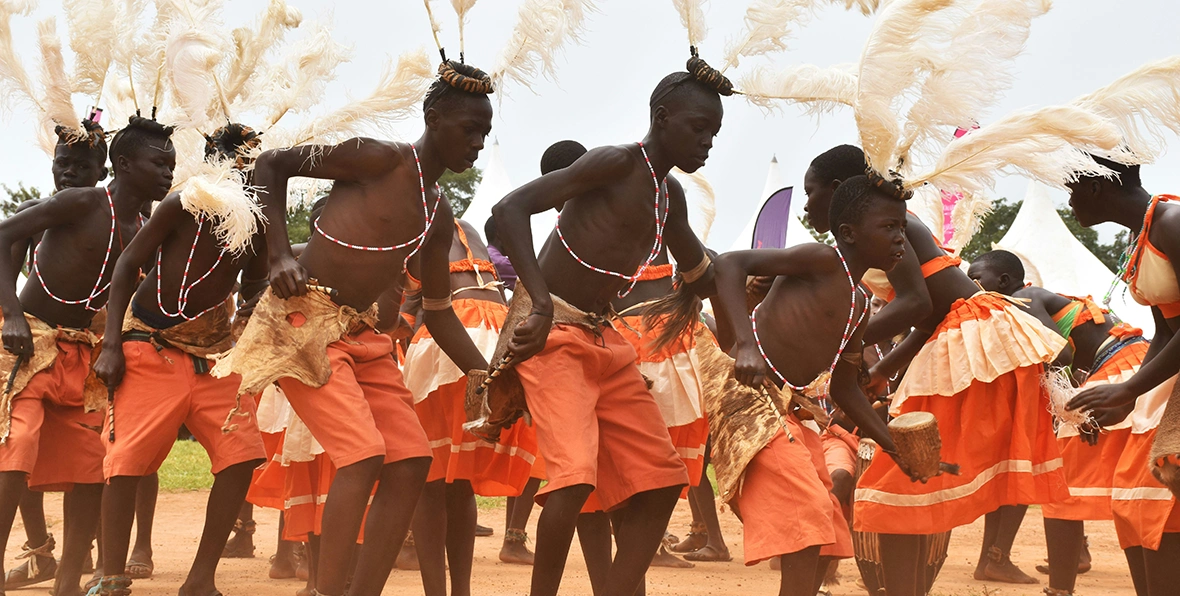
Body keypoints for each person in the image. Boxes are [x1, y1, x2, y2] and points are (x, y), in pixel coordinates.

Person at [214, 60, 495, 596]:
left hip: (365, 340)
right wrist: (277, 256)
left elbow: (437, 311)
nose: (478, 142)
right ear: (434, 119)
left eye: (485, 132)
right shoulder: (380, 158)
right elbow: (272, 164)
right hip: (301, 326)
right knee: (364, 455)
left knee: (412, 460)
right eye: (469, 129)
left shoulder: (439, 212)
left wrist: (488, 372)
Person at [490, 56, 726, 596]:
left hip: (604, 340)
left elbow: (702, 270)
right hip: (552, 337)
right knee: (573, 482)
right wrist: (541, 303)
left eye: (714, 133)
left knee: (667, 480)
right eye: (698, 128)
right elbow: (508, 211)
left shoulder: (670, 197)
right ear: (662, 117)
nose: (707, 142)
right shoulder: (615, 162)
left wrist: (753, 281)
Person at [706, 175, 911, 596]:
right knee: (811, 513)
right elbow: (728, 263)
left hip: (785, 409)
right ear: (850, 233)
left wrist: (893, 445)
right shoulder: (822, 259)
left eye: (903, 230)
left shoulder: (857, 304)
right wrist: (745, 345)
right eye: (890, 227)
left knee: (831, 524)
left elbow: (844, 390)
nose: (900, 240)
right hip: (746, 397)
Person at [90, 121, 270, 596]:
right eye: (234, 161)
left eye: (250, 163)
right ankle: (111, 576)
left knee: (241, 457)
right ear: (213, 161)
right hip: (150, 344)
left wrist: (255, 309)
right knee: (126, 461)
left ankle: (200, 579)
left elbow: (254, 282)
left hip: (215, 358)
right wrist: (111, 344)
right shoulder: (183, 203)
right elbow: (128, 265)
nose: (242, 171)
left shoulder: (256, 219)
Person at [0, 117, 170, 596]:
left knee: (93, 465)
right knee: (15, 450)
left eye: (170, 164)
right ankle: (31, 551)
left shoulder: (145, 225)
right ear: (124, 165)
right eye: (159, 163)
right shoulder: (78, 203)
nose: (167, 172)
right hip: (29, 344)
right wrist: (10, 314)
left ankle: (69, 582)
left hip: (86, 353)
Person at [968, 249, 1158, 595]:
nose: (970, 287)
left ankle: (1060, 589)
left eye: (976, 278)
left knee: (1063, 487)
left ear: (1005, 282)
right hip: (1135, 364)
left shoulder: (1021, 298)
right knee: (1134, 487)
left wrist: (1068, 409)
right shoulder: (1019, 304)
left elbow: (1059, 353)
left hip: (1121, 369)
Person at [401, 217, 539, 596]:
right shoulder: (464, 226)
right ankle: (460, 591)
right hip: (497, 335)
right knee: (457, 481)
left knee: (430, 479)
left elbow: (397, 309)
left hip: (454, 334)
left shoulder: (403, 223)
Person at [1064, 158, 1180, 596]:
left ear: (1095, 188)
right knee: (1134, 497)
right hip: (1169, 372)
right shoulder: (1141, 234)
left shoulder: (1173, 221)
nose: (1070, 203)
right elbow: (1167, 328)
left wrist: (1132, 386)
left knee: (1160, 494)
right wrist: (1128, 400)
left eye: (1072, 191)